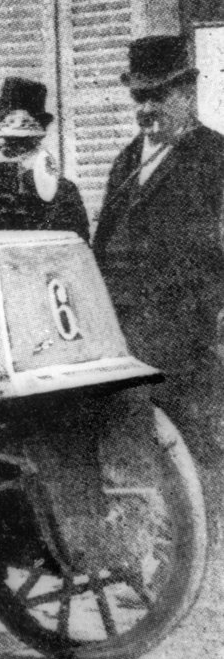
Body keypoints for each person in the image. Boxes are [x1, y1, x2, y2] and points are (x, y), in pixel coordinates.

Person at [94, 35, 224, 525]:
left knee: (195, 444)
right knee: (128, 435)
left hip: (185, 328)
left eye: (158, 96)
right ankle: (147, 554)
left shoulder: (214, 158)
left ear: (186, 94)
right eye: (139, 98)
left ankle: (210, 568)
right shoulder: (128, 160)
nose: (147, 108)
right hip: (124, 324)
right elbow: (103, 240)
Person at [0, 76, 90, 240]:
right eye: (13, 145)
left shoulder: (61, 190)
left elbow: (73, 242)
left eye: (24, 145)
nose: (17, 154)